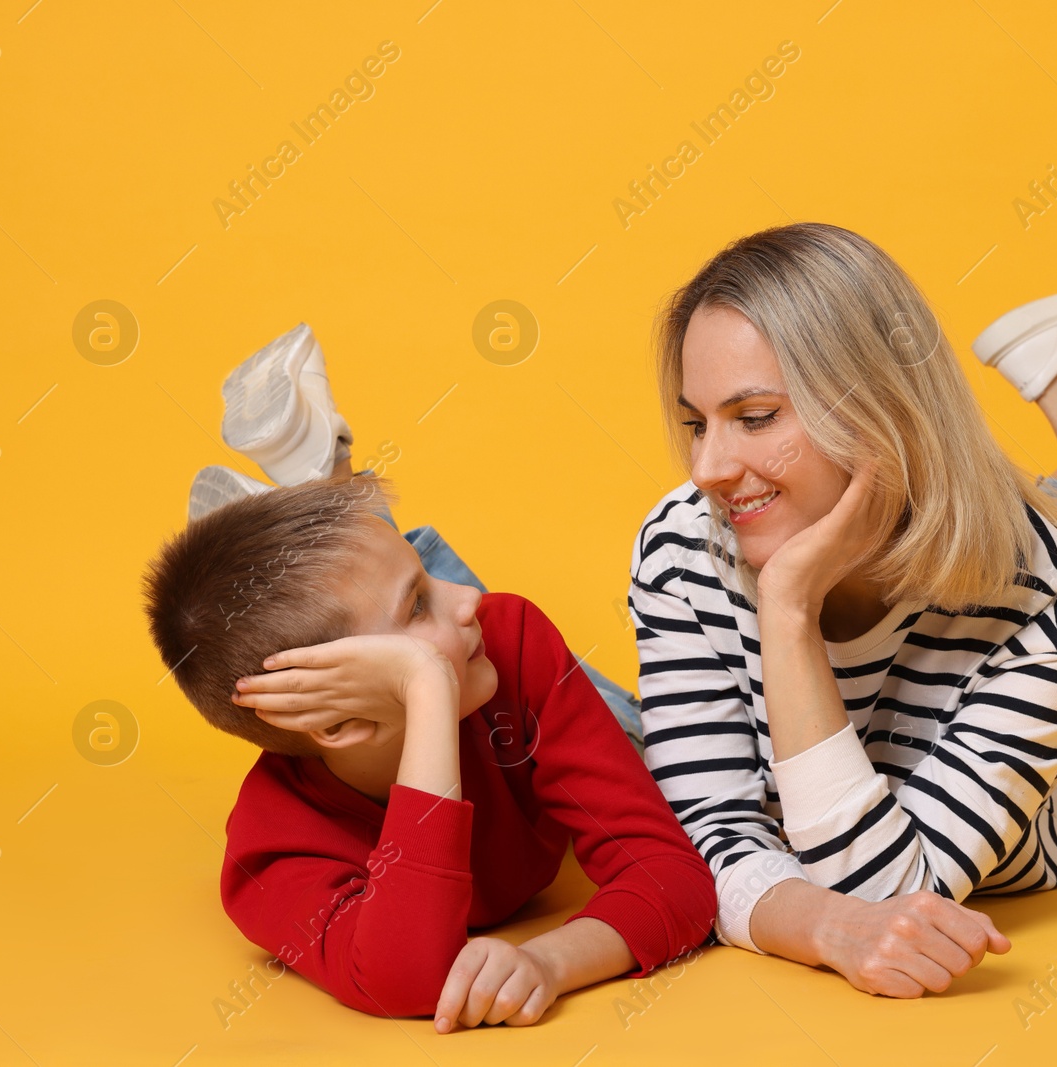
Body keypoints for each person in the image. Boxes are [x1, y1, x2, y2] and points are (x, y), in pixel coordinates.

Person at [627, 222, 1057, 999]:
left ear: (878, 409)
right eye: (697, 423)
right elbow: (704, 839)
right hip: (969, 576)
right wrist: (819, 927)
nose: (708, 468)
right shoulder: (681, 548)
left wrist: (788, 609)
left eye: (754, 417)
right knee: (969, 526)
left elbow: (887, 896)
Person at [141, 324, 714, 1030]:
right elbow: (405, 978)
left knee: (654, 744)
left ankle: (316, 494)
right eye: (419, 604)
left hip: (600, 720)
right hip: (448, 693)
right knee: (381, 595)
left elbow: (678, 879)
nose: (469, 595)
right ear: (341, 723)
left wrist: (551, 960)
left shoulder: (509, 640)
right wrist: (429, 691)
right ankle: (314, 487)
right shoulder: (270, 851)